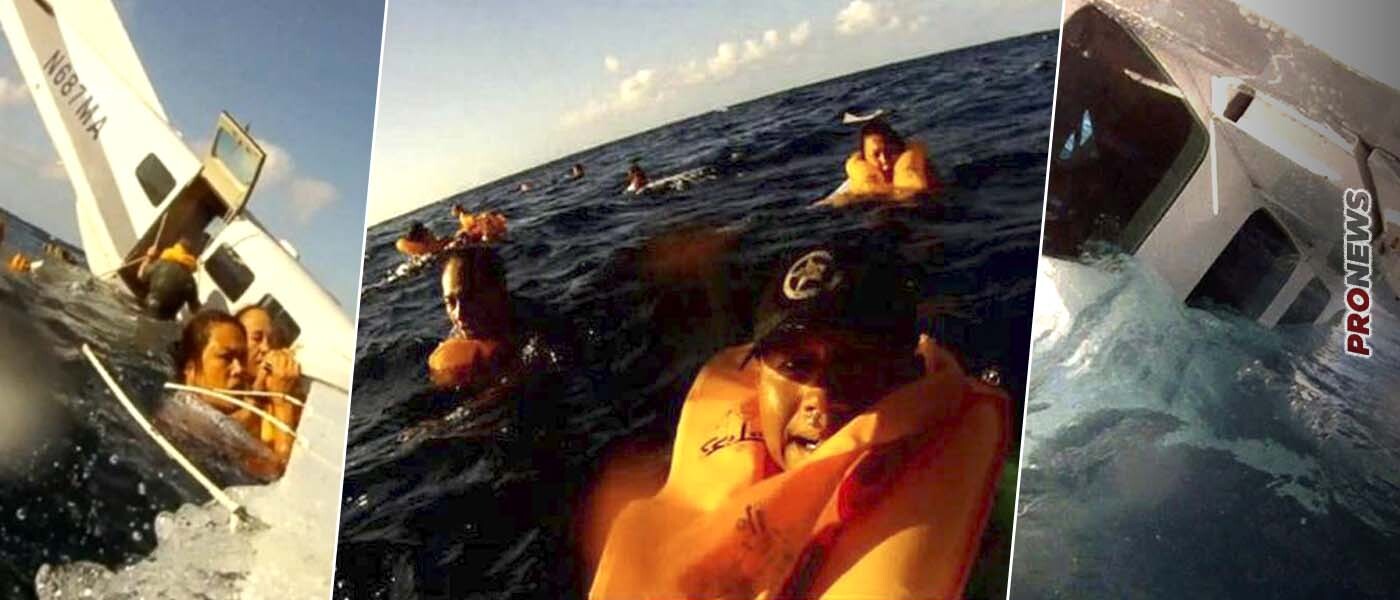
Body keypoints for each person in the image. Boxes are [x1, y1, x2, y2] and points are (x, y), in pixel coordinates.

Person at [589, 244, 1007, 599]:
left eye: (854, 362)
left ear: (908, 375)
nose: (819, 398)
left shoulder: (992, 501)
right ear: (759, 380)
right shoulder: (697, 486)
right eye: (795, 365)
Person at [161, 310, 301, 480]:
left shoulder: (187, 406)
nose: (239, 369)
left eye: (241, 358)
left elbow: (239, 422)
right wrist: (282, 401)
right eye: (226, 358)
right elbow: (280, 474)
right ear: (190, 368)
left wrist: (260, 390)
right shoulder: (197, 422)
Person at [427, 247, 515, 389]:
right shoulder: (456, 338)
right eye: (450, 302)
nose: (459, 314)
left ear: (499, 289)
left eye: (469, 298)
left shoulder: (537, 331)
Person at [236, 305, 304, 463]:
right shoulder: (228, 396)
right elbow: (283, 465)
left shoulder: (284, 383)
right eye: (256, 338)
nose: (266, 348)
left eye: (271, 340)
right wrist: (281, 401)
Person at [842, 119, 939, 200]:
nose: (884, 161)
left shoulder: (924, 173)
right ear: (865, 159)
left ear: (900, 149)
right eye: (876, 155)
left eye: (890, 151)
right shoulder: (857, 191)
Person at [137, 237, 201, 320]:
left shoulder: (160, 264)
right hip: (166, 319)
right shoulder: (190, 280)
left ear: (176, 247)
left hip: (147, 310)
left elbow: (140, 275)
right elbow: (194, 309)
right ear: (191, 256)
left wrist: (148, 257)